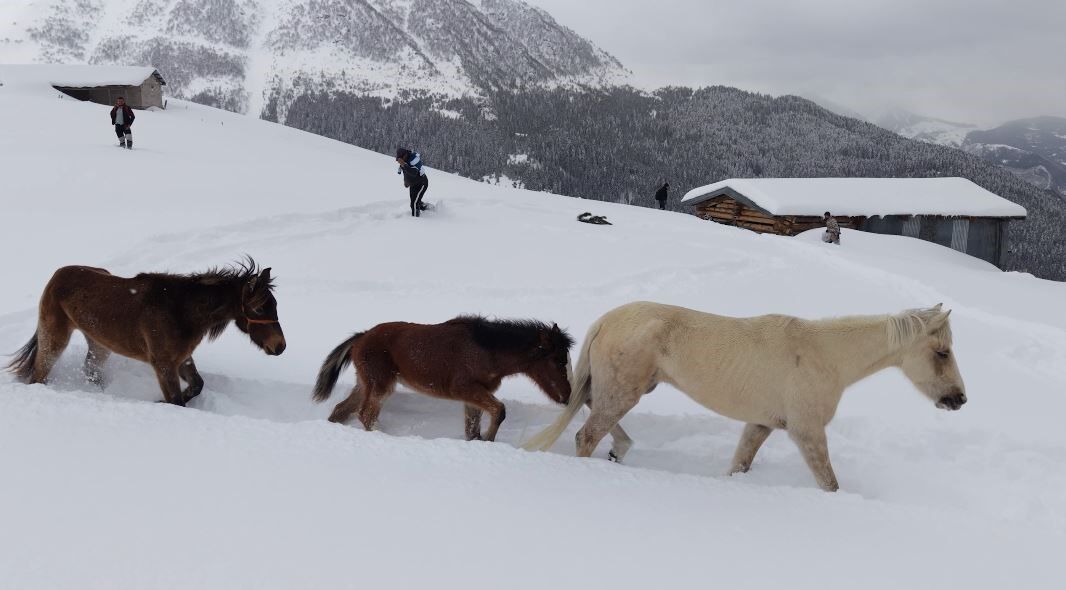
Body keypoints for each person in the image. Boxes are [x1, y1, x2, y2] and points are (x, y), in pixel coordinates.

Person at [396, 147, 429, 217]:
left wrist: (403, 164)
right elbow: (405, 171)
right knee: (413, 202)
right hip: (413, 184)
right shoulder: (405, 161)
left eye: (400, 158)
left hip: (421, 183)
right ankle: (427, 208)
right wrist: (406, 181)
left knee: (414, 203)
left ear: (405, 155)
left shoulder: (413, 160)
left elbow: (413, 172)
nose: (399, 160)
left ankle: (415, 220)